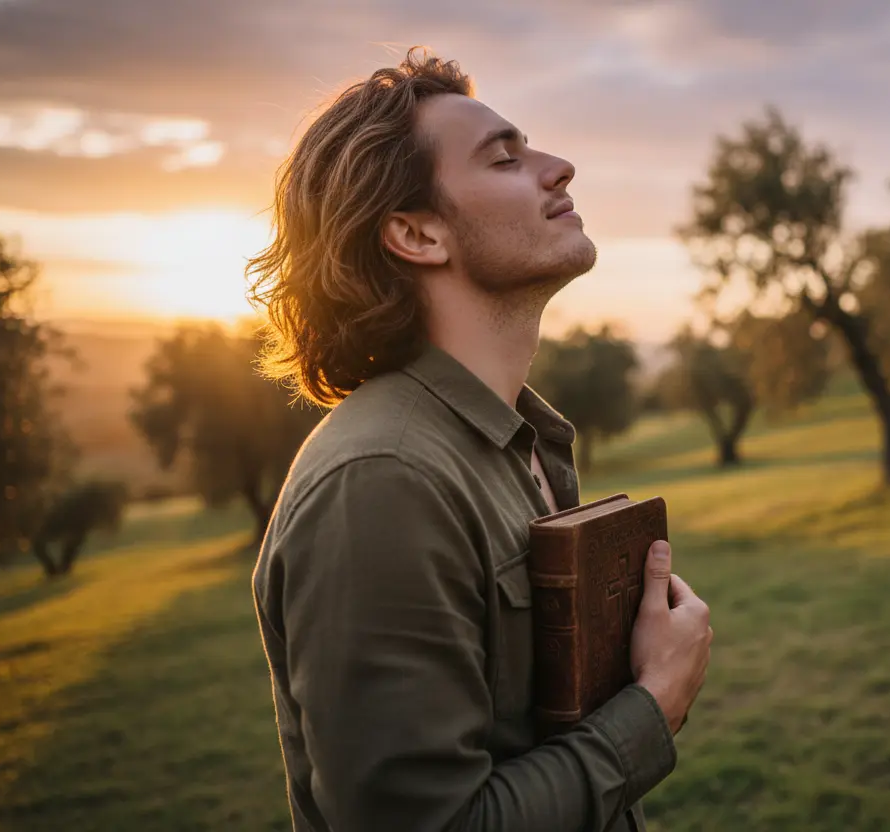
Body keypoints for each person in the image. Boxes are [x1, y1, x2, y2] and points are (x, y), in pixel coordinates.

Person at [245, 47, 713, 832]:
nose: (560, 168)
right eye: (506, 158)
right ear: (418, 234)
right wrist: (653, 706)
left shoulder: (516, 440)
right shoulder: (382, 479)